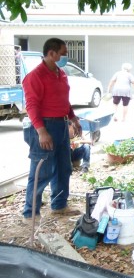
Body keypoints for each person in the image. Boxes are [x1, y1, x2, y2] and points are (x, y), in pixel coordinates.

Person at [22, 38, 83, 222]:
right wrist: (41, 131)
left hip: (62, 125)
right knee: (41, 170)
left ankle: (59, 205)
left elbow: (64, 100)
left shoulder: (61, 73)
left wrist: (73, 118)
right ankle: (30, 213)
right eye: (63, 53)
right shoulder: (35, 76)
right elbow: (31, 106)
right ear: (51, 53)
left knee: (64, 167)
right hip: (44, 126)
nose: (66, 57)